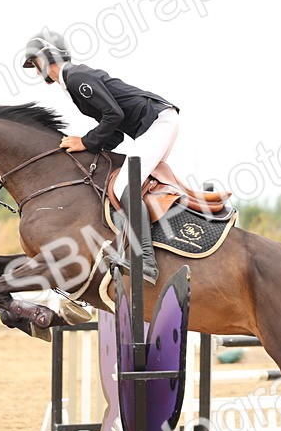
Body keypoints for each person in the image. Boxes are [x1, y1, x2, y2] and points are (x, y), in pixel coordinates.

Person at [22, 29, 178, 284]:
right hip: (155, 123)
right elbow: (114, 129)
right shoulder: (73, 80)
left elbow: (113, 115)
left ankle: (146, 261)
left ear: (47, 57)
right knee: (124, 182)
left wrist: (86, 141)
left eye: (35, 63)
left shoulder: (75, 77)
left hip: (158, 122)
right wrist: (87, 148)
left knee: (125, 185)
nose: (36, 70)